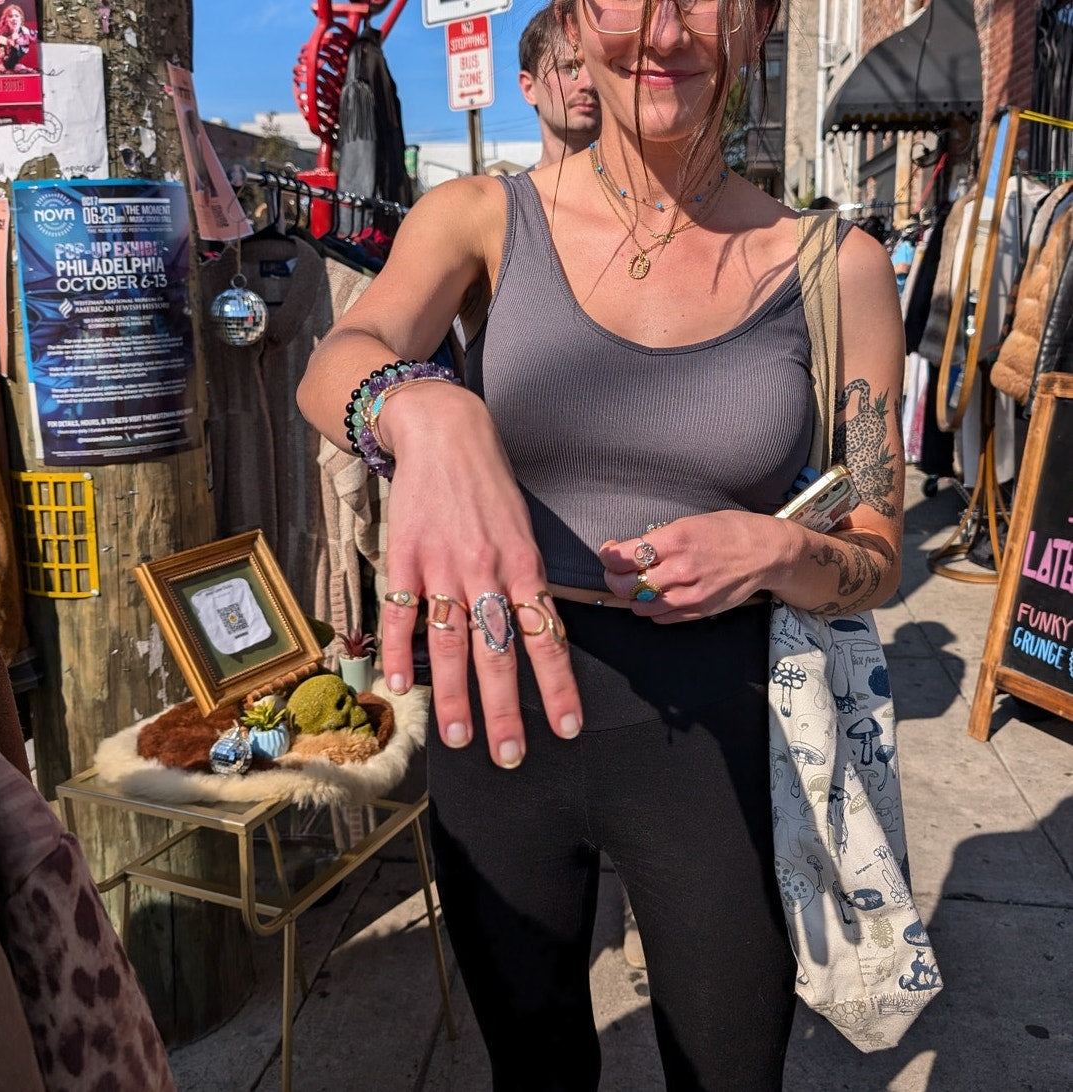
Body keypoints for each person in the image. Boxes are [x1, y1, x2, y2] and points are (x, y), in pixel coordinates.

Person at [298, 0, 905, 1085]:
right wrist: (423, 409)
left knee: (731, 1062)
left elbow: (876, 541)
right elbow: (340, 354)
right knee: (530, 1064)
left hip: (719, 727)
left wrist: (774, 552)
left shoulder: (835, 263)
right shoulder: (481, 217)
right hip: (496, 709)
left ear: (759, 24)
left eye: (708, 1)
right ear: (576, 23)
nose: (668, 32)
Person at [518, 3, 601, 169]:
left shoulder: (646, 189)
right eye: (570, 68)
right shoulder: (510, 195)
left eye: (596, 67)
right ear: (529, 88)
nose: (589, 83)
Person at [0, 5, 36, 73]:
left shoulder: (27, 34)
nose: (14, 18)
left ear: (21, 19)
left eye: (16, 16)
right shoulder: (2, 38)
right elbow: (6, 63)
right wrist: (13, 44)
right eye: (10, 16)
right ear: (6, 20)